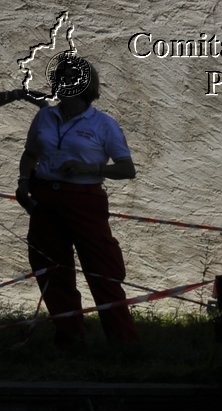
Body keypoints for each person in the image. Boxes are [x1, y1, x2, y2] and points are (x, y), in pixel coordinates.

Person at [14, 54, 139, 350]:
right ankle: (70, 338)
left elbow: (126, 169)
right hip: (46, 198)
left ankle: (124, 343)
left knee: (102, 269)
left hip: (85, 201)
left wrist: (90, 168)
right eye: (61, 76)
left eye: (72, 76)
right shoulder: (45, 116)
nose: (65, 81)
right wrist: (22, 184)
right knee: (49, 266)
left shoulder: (104, 124)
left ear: (87, 85)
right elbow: (30, 154)